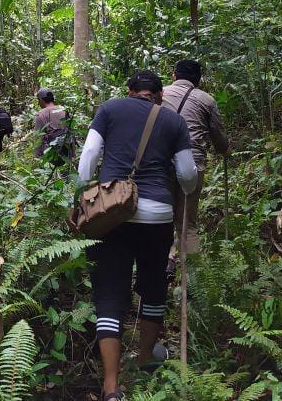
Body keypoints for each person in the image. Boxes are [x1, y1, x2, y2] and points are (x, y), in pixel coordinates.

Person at [78, 70, 198, 401]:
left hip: (112, 214)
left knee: (109, 295)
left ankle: (111, 387)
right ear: (159, 95)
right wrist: (187, 189)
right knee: (153, 286)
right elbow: (187, 174)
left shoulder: (109, 109)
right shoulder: (173, 121)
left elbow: (88, 159)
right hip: (157, 216)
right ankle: (146, 357)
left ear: (129, 91)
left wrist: (84, 193)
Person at [161, 59, 229, 256]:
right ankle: (192, 278)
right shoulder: (206, 100)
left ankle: (163, 266)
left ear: (174, 76)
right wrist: (225, 150)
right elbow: (219, 139)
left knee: (161, 220)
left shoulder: (160, 94)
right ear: (198, 80)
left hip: (160, 164)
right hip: (192, 164)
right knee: (187, 224)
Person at [33, 87, 70, 162]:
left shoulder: (41, 114)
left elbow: (38, 138)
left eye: (38, 100)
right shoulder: (64, 111)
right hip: (66, 155)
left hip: (49, 156)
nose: (38, 103)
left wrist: (36, 158)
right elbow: (70, 133)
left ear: (42, 100)